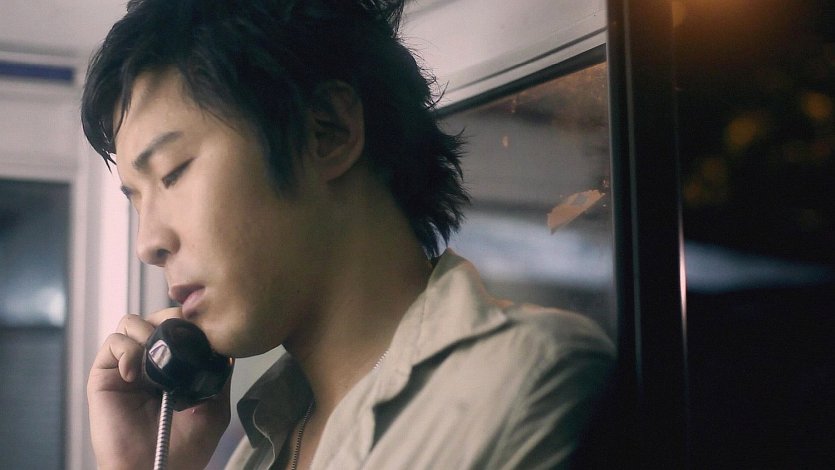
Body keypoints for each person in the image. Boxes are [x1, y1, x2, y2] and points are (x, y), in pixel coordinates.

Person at [81, 0, 615, 468]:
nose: (147, 243)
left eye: (172, 173)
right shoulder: (264, 444)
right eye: (135, 199)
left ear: (327, 132)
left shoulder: (522, 383)